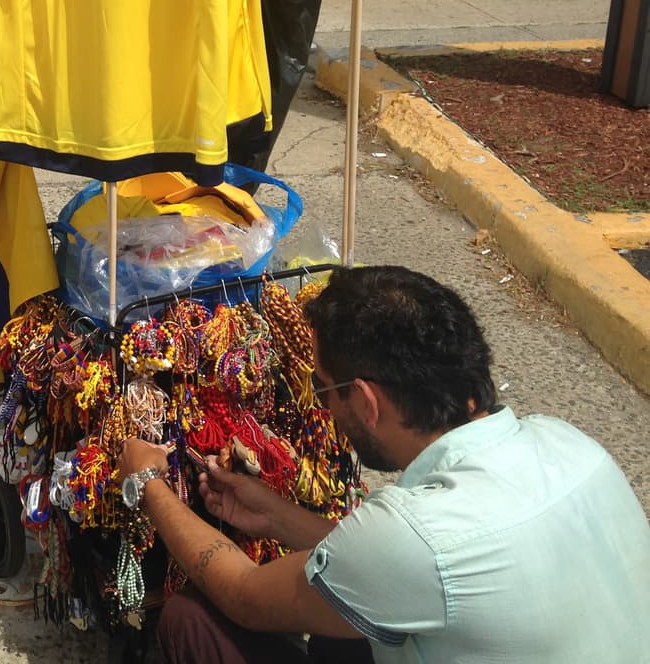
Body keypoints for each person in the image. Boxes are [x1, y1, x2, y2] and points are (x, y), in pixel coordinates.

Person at [119, 265, 650, 663]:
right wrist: (278, 518)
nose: (323, 406)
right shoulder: (570, 444)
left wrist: (148, 483)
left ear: (367, 402)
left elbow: (245, 596)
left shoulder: (412, 536)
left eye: (323, 388)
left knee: (190, 620)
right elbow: (418, 569)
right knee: (343, 630)